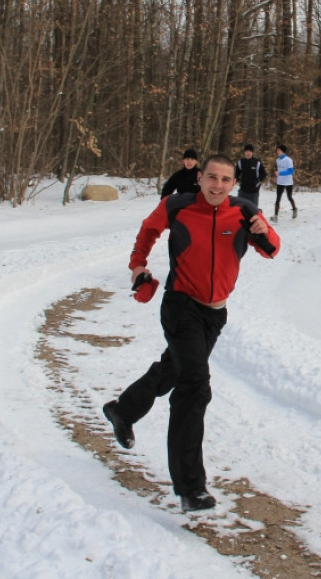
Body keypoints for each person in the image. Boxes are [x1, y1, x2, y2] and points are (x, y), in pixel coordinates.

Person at [103, 154, 280, 512]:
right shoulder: (178, 205)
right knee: (194, 387)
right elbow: (148, 231)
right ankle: (190, 488)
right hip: (180, 304)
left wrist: (264, 232)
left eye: (225, 180)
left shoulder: (244, 212)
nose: (217, 185)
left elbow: (271, 250)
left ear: (233, 184)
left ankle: (123, 410)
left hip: (215, 313)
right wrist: (139, 267)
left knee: (174, 370)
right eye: (211, 177)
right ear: (199, 178)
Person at [273, 144, 297, 220]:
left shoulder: (288, 160)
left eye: (279, 150)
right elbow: (278, 171)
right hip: (280, 182)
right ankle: (275, 216)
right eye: (277, 150)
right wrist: (276, 177)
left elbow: (291, 171)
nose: (277, 152)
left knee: (289, 197)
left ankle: (294, 209)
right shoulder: (277, 160)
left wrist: (280, 174)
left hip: (288, 182)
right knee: (278, 198)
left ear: (283, 151)